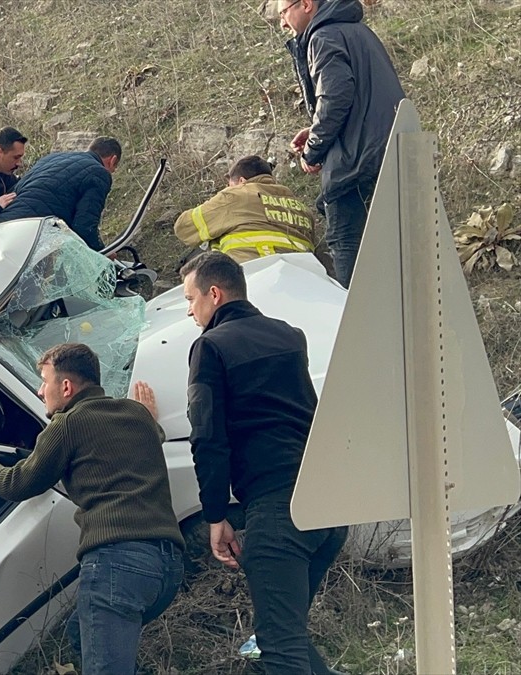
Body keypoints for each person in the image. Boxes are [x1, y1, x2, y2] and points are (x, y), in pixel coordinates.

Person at [135, 252, 347, 673]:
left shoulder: (210, 347)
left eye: (191, 299)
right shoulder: (290, 336)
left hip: (278, 512)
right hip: (328, 508)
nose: (190, 311)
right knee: (282, 637)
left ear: (214, 294)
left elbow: (207, 437)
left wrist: (215, 515)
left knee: (279, 649)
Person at [0, 343, 183, 675]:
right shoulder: (136, 414)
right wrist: (149, 419)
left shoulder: (67, 424)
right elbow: (153, 435)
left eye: (44, 381)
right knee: (80, 637)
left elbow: (18, 483)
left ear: (66, 387)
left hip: (117, 565)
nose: (40, 391)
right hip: (167, 568)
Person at [281, 0, 404, 287]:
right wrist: (315, 128)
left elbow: (335, 97)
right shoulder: (359, 32)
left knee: (344, 240)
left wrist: (313, 149)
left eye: (283, 14)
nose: (283, 24)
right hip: (386, 148)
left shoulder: (322, 37)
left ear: (307, 4)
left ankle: (355, 319)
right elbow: (360, 98)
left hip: (355, 161)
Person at [174, 155, 316, 262]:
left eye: (230, 184)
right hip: (303, 280)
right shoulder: (303, 209)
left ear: (241, 181)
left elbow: (183, 227)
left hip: (251, 276)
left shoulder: (235, 195)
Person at [0, 137, 123, 251]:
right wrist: (103, 252)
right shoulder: (99, 173)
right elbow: (84, 227)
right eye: (113, 169)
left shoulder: (52, 158)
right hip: (29, 235)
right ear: (113, 160)